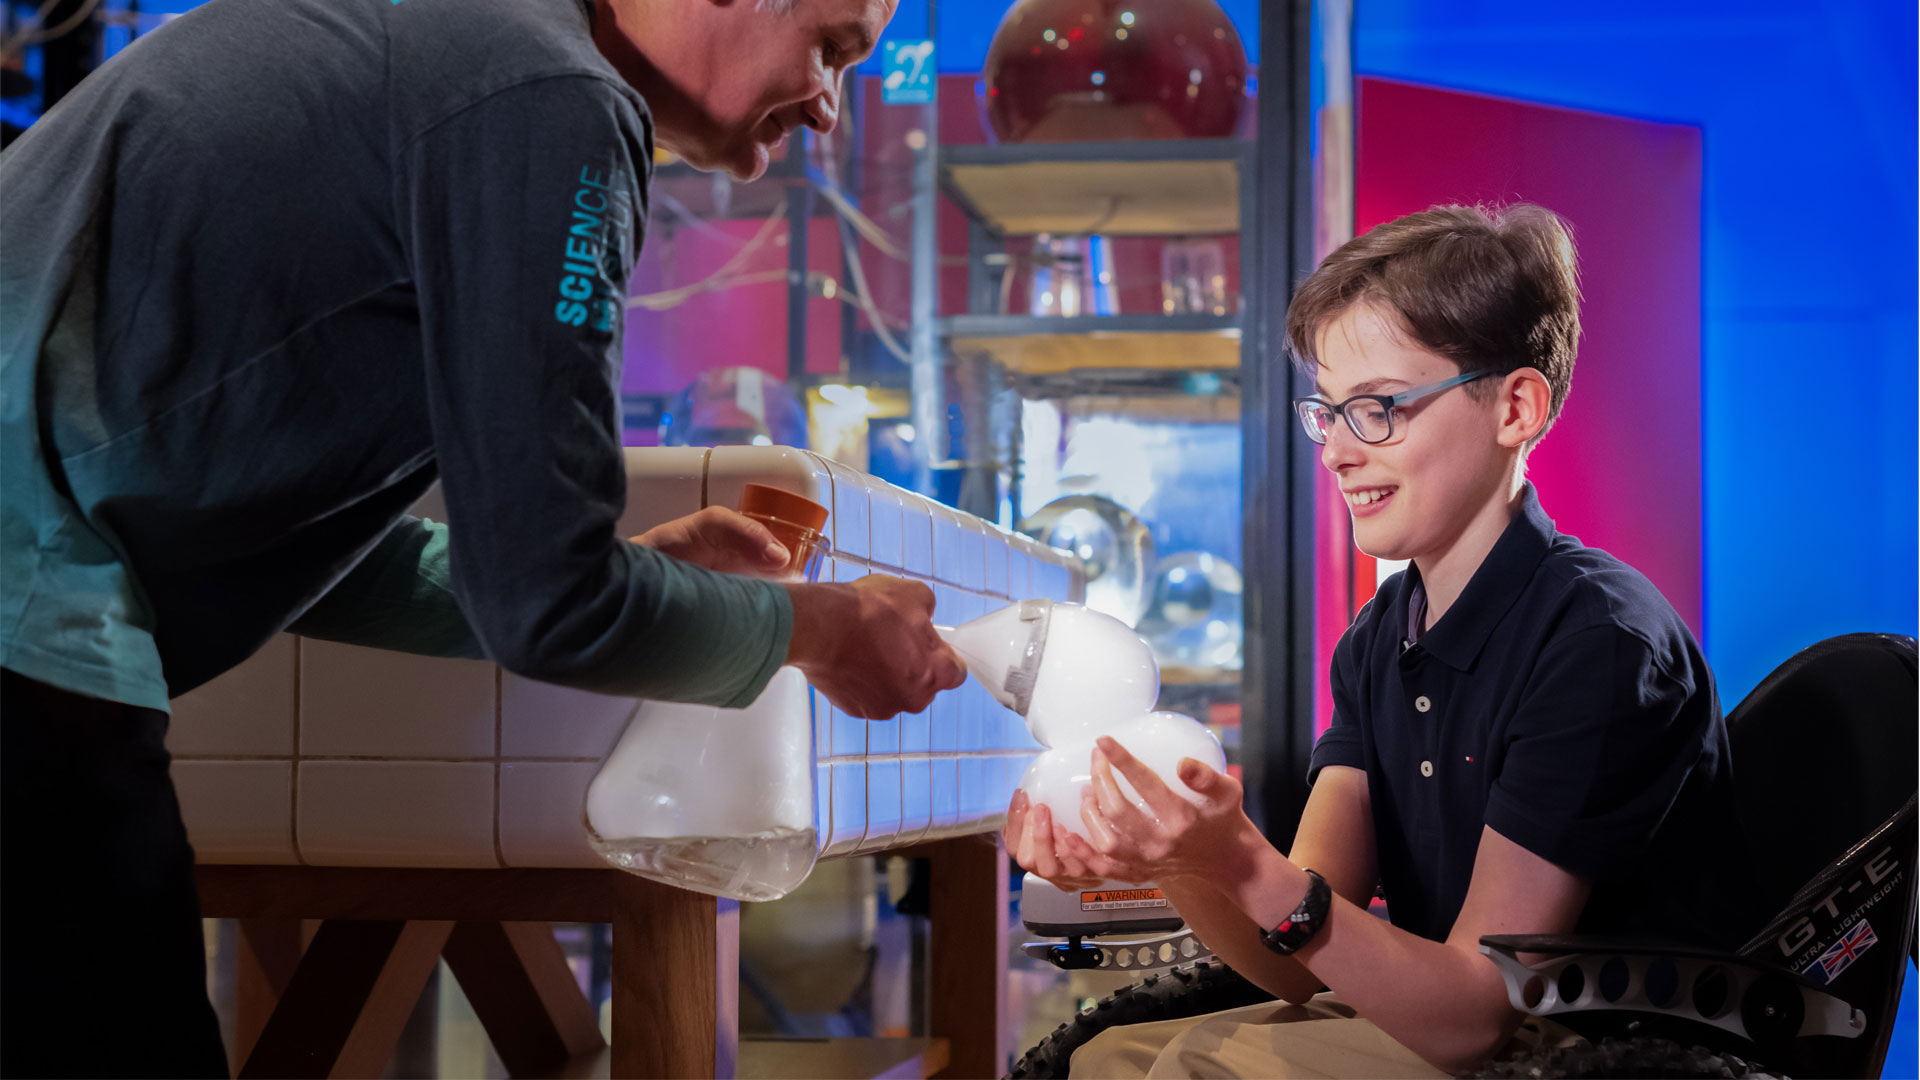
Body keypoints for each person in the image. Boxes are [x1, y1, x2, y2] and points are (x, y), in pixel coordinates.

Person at [0, 0, 959, 1074]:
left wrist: (630, 577)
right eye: (830, 46)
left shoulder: (457, 49)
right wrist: (819, 629)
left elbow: (295, 552)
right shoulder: (554, 97)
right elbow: (553, 611)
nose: (830, 104)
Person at [1005, 203, 1759, 1077]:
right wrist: (1180, 862)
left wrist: (1243, 860)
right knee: (1109, 1058)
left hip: (1602, 1048)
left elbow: (1479, 1013)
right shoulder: (1379, 638)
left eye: (1379, 409)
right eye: (1328, 413)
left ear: (1515, 406)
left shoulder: (1599, 643)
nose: (1336, 454)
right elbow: (1288, 962)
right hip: (1456, 1014)